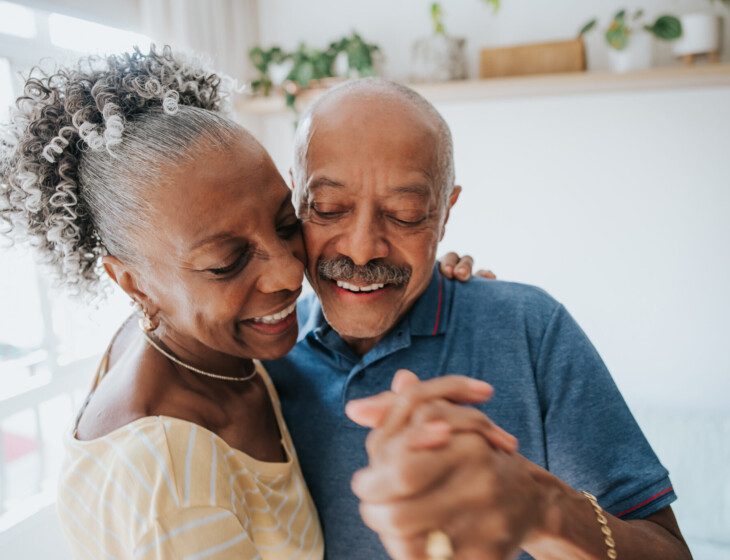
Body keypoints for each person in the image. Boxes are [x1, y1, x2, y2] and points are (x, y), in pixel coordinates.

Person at [0, 47, 498, 559]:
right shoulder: (169, 483)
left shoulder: (209, 347)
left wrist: (413, 275)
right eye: (228, 261)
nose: (289, 273)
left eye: (288, 224)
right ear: (133, 284)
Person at [264, 79, 692, 559]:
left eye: (406, 215)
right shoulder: (263, 359)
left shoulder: (530, 329)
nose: (362, 249)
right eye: (329, 208)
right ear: (296, 198)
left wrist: (541, 507)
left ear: (445, 213)